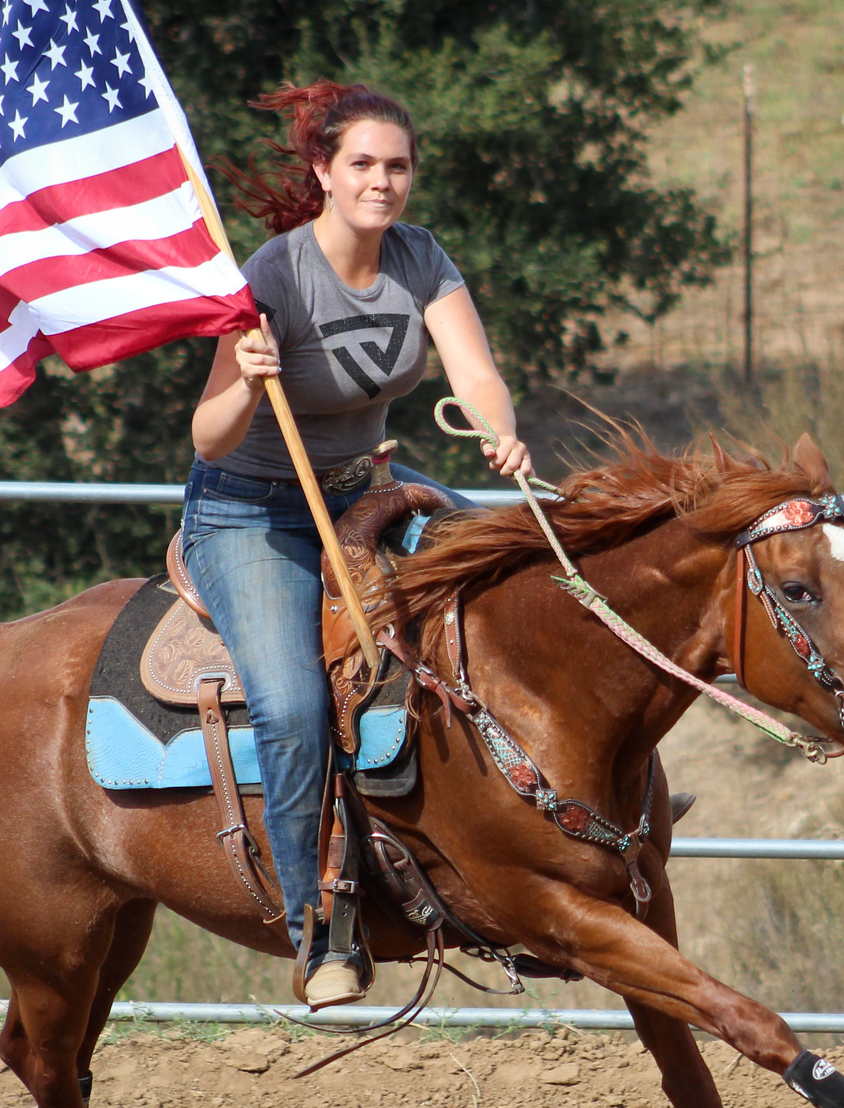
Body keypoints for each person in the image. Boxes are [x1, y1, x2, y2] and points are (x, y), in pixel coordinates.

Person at [184, 81, 532, 1009]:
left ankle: (565, 818)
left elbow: (477, 373)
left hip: (364, 492)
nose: (384, 182)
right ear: (324, 176)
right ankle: (316, 928)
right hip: (250, 510)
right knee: (295, 706)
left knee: (522, 568)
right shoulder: (274, 276)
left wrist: (498, 427)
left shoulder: (420, 258)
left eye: (398, 166)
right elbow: (207, 435)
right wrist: (248, 381)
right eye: (364, 165)